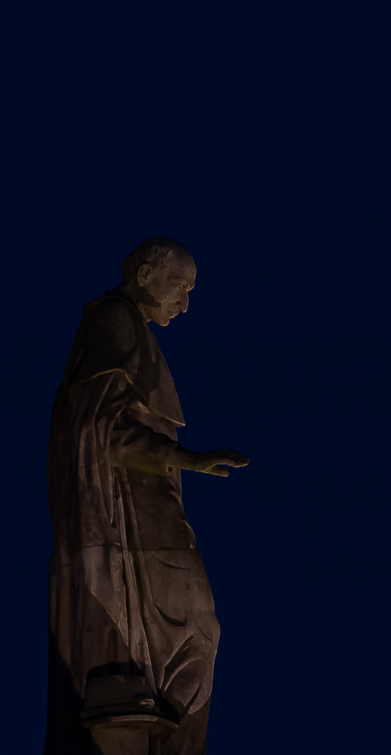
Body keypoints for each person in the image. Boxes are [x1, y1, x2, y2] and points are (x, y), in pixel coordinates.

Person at [46, 238, 248, 755]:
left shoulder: (130, 329)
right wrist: (188, 459)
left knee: (199, 629)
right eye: (179, 286)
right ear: (144, 274)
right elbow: (102, 431)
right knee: (196, 626)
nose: (184, 303)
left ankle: (162, 730)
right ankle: (147, 729)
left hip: (154, 509)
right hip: (126, 518)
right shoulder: (112, 321)